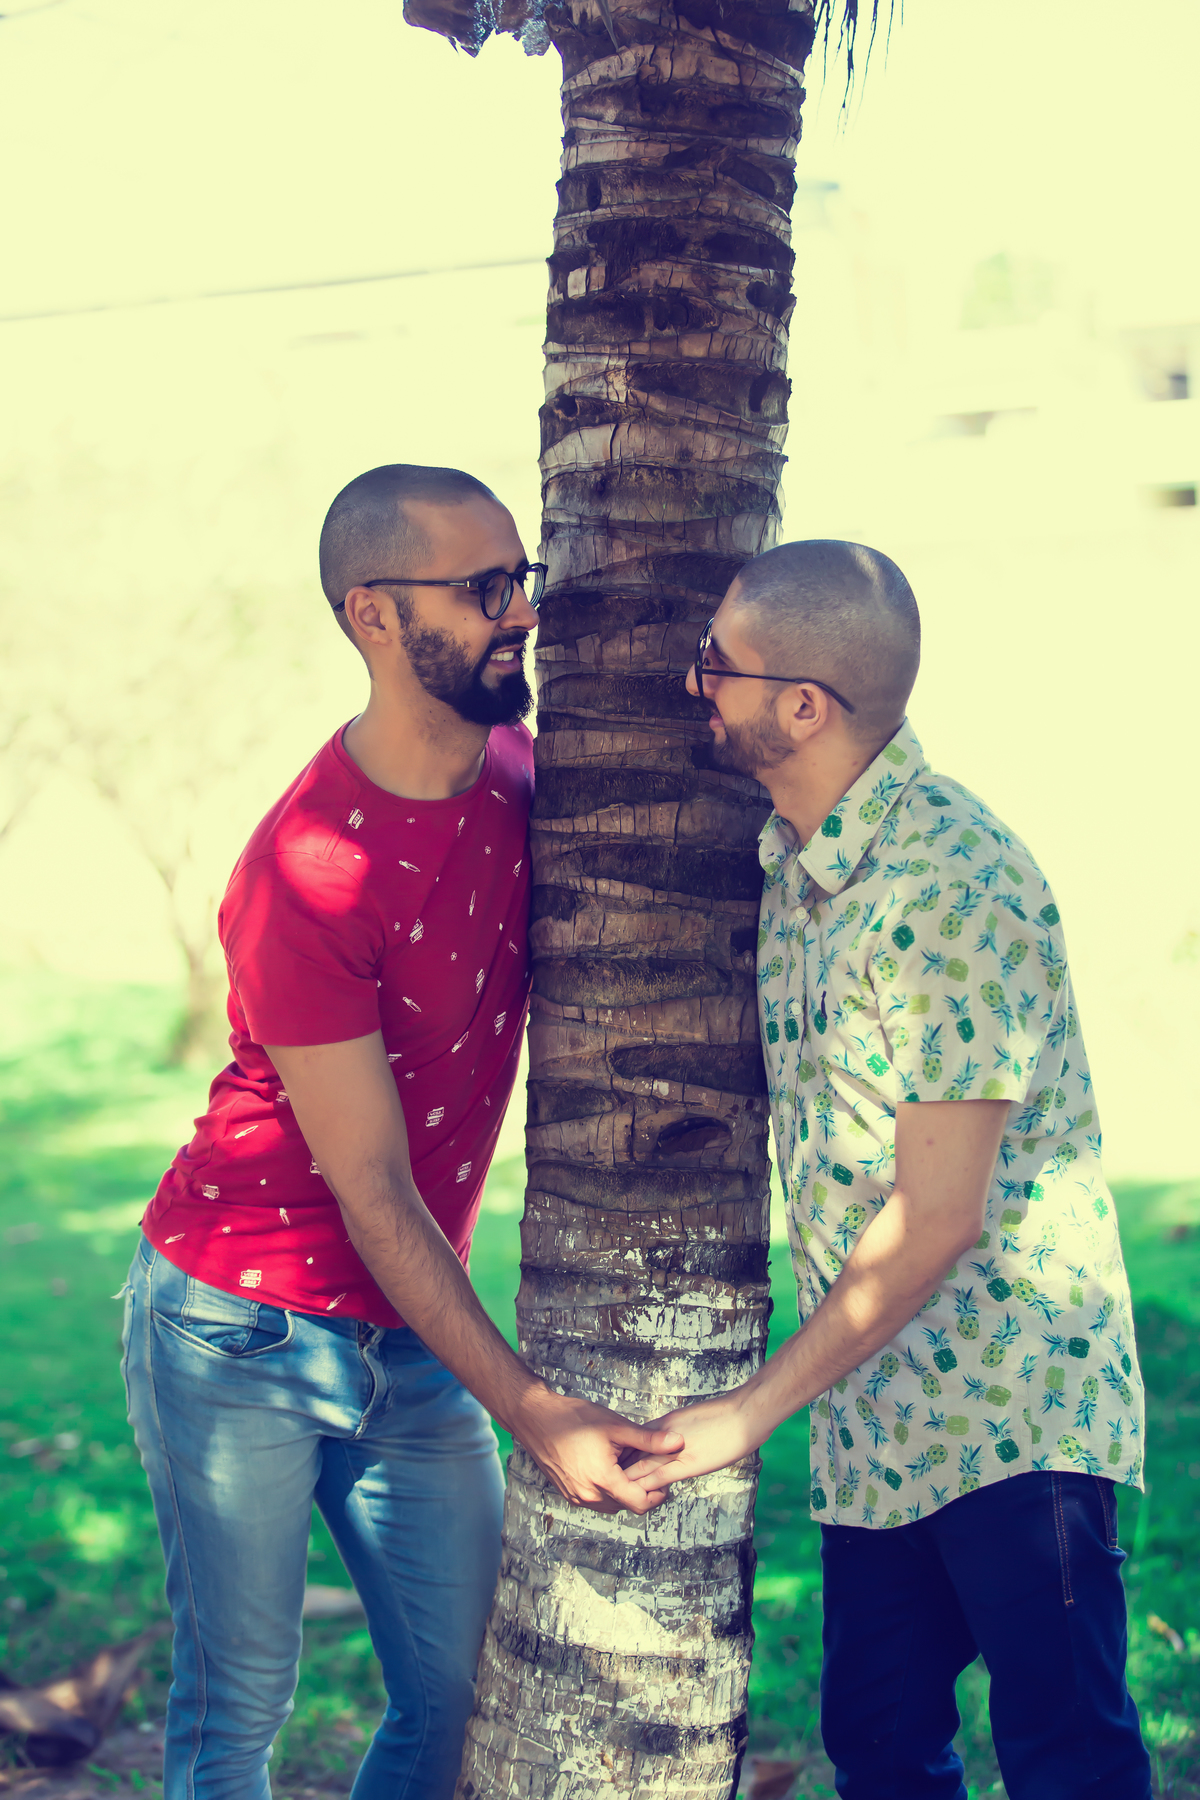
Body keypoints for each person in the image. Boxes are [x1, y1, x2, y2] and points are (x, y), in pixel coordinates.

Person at [121, 464, 681, 1800]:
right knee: (239, 1707)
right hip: (237, 1328)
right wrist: (538, 1413)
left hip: (412, 1337)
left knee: (461, 1698)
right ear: (375, 614)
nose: (521, 617)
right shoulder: (309, 869)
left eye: (520, 581)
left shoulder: (523, 783)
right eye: (483, 590)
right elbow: (370, 1189)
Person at [629, 540, 1151, 1799]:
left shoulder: (949, 882)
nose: (697, 685)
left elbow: (937, 1218)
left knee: (1067, 1757)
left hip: (1015, 1414)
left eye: (718, 666)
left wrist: (745, 1417)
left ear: (802, 706)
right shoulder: (794, 866)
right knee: (881, 1750)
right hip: (880, 1422)